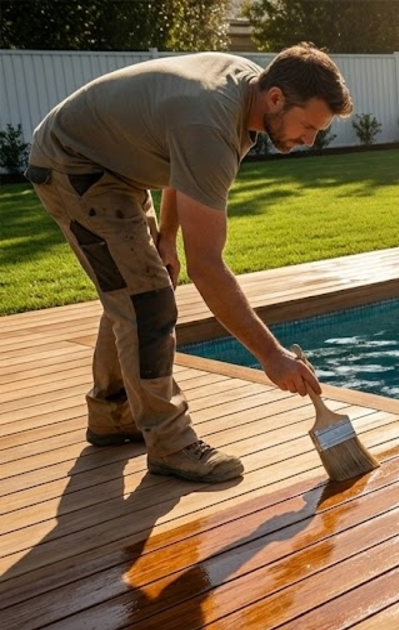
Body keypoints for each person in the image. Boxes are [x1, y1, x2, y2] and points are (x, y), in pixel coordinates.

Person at [25, 43, 353, 483]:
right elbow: (207, 267)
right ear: (275, 98)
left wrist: (166, 238)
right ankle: (170, 444)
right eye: (308, 126)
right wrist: (271, 356)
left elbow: (184, 170)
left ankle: (113, 415)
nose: (310, 140)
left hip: (116, 164)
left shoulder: (247, 93)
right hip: (75, 164)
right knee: (149, 303)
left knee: (134, 288)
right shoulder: (211, 120)